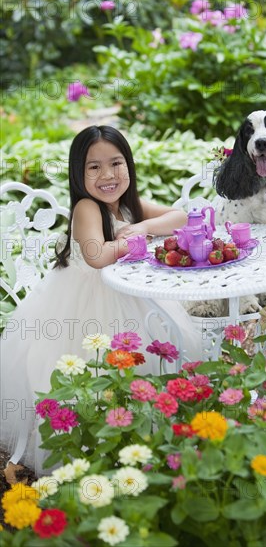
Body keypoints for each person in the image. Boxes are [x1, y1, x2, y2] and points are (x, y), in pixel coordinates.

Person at [0, 125, 203, 480]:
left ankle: (149, 432)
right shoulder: (86, 207)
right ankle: (101, 445)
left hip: (132, 297)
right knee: (98, 372)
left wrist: (143, 227)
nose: (108, 175)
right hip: (84, 307)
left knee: (155, 355)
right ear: (79, 173)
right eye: (94, 167)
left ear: (129, 166)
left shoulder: (127, 205)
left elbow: (180, 218)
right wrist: (133, 241)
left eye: (116, 163)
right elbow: (96, 255)